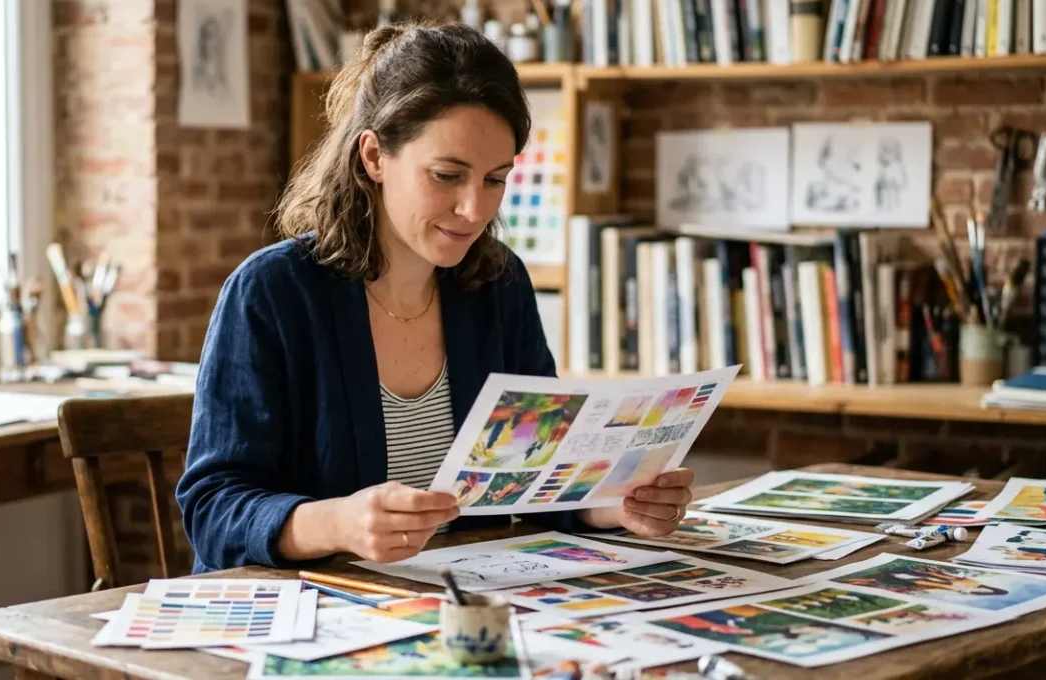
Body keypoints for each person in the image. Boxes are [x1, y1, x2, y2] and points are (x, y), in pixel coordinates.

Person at [175, 20, 695, 574]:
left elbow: (536, 479)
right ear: (374, 156)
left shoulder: (500, 284)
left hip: (457, 600)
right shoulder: (271, 292)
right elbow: (212, 508)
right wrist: (338, 524)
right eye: (447, 175)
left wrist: (613, 504)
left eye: (494, 179)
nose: (475, 210)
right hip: (311, 610)